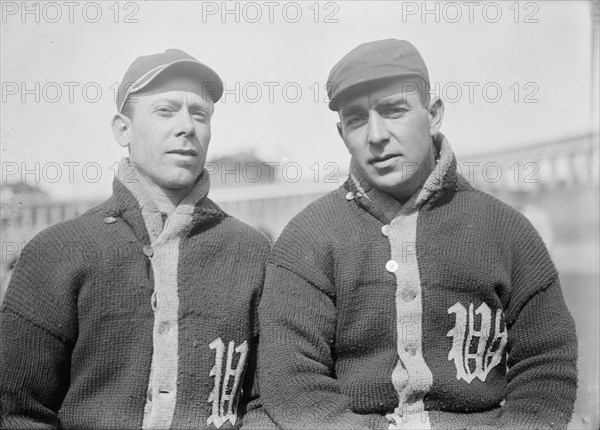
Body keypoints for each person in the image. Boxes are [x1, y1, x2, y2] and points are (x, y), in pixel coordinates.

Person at [255, 39, 578, 429]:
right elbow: (292, 380)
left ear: (434, 114)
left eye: (393, 111)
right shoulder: (307, 238)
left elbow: (546, 362)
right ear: (342, 134)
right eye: (357, 119)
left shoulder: (506, 230)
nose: (376, 135)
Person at [0, 49, 271, 429]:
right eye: (165, 110)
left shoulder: (251, 251)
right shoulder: (57, 251)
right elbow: (16, 412)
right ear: (122, 129)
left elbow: (271, 402)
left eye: (200, 114)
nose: (187, 127)